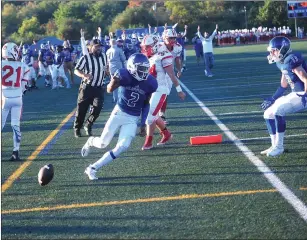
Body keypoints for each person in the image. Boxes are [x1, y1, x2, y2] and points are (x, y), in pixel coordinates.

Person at [81, 53, 158, 180]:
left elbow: (146, 104)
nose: (144, 72)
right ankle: (90, 141)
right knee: (102, 143)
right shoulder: (123, 75)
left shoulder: (150, 83)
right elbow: (109, 90)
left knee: (123, 146)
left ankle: (92, 168)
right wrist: (113, 81)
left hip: (133, 118)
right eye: (141, 68)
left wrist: (143, 123)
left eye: (146, 68)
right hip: (119, 113)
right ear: (132, 67)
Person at [261, 36, 307, 157]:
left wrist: (306, 95)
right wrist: (273, 98)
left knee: (278, 110)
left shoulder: (291, 60)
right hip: (295, 93)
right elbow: (283, 85)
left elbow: (306, 79)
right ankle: (274, 145)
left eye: (274, 50)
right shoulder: (281, 62)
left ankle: (279, 147)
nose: (272, 53)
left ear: (283, 49)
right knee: (268, 113)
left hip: (303, 93)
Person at [141, 35, 186, 150]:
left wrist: (179, 90)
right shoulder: (149, 55)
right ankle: (166, 134)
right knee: (154, 115)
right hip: (150, 89)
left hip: (160, 89)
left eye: (147, 47)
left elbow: (171, 74)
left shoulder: (163, 55)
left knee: (149, 116)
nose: (145, 49)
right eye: (144, 47)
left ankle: (148, 141)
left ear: (155, 45)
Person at [73, 38, 108, 138]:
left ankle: (88, 124)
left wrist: (107, 72)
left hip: (99, 87)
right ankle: (77, 128)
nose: (98, 49)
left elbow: (105, 68)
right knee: (82, 110)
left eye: (99, 47)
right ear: (90, 47)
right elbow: (76, 70)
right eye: (96, 47)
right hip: (86, 88)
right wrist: (84, 75)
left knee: (98, 108)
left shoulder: (104, 56)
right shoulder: (85, 58)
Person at [1, 42, 30, 161]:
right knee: (15, 125)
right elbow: (24, 86)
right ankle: (15, 151)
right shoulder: (24, 66)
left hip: (3, 98)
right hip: (18, 98)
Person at [106, 38, 127, 103]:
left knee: (113, 82)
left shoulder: (108, 51)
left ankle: (115, 98)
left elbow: (107, 61)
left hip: (111, 67)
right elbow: (123, 59)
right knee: (120, 82)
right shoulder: (119, 50)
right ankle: (120, 98)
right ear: (115, 43)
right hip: (118, 67)